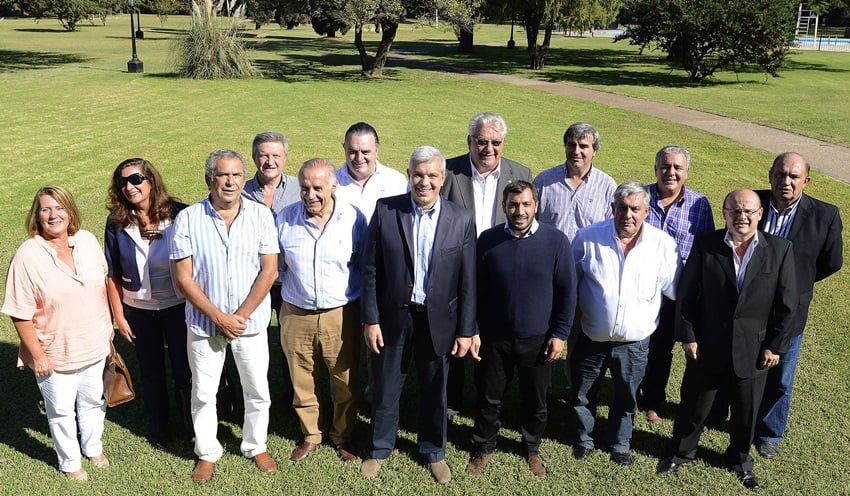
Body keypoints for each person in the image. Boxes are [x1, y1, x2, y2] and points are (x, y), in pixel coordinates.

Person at [658, 189, 798, 492]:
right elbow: (687, 295)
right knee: (694, 406)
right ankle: (681, 451)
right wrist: (688, 336)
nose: (742, 216)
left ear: (760, 214)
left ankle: (739, 460)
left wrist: (775, 345)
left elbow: (788, 305)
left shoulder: (780, 249)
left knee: (745, 413)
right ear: (725, 213)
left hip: (754, 349)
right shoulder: (706, 245)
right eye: (735, 210)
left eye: (749, 210)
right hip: (706, 345)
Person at [360, 146, 477, 484]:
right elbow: (370, 271)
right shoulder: (386, 210)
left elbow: (468, 280)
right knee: (386, 387)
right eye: (418, 175)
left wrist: (466, 329)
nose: (424, 182)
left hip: (438, 320)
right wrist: (371, 319)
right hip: (394, 318)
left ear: (443, 179)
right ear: (409, 175)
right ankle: (380, 448)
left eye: (431, 176)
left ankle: (433, 450)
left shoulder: (461, 218)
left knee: (435, 389)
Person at [170, 149, 280, 483]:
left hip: (250, 323)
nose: (230, 182)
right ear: (210, 179)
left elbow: (269, 270)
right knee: (203, 392)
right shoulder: (188, 218)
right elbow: (183, 278)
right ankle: (207, 452)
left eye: (235, 175)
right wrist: (219, 316)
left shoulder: (261, 216)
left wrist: (240, 316)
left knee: (257, 388)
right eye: (222, 175)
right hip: (205, 324)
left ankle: (255, 445)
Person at [2, 185, 113, 481]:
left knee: (93, 402)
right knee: (62, 412)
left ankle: (93, 447)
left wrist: (108, 328)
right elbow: (19, 312)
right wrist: (37, 356)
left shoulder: (86, 241)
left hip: (94, 343)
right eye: (46, 209)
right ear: (36, 216)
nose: (54, 215)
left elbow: (100, 285)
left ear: (70, 211)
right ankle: (70, 462)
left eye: (60, 207)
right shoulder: (28, 256)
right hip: (54, 352)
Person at [467, 181, 576, 478]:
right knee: (489, 397)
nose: (520, 211)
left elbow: (567, 292)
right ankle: (485, 446)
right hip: (494, 338)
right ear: (504, 207)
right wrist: (473, 329)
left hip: (538, 340)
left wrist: (560, 333)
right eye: (513, 205)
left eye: (526, 204)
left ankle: (531, 448)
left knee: (535, 401)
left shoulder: (556, 242)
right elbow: (474, 290)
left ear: (536, 205)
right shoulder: (487, 241)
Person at [570, 182, 680, 466]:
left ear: (646, 211)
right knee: (583, 393)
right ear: (612, 208)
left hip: (635, 343)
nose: (628, 214)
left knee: (626, 397)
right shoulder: (587, 238)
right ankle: (585, 438)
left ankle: (620, 443)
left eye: (635, 209)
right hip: (591, 337)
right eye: (622, 208)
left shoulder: (662, 245)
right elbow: (569, 283)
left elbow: (675, 290)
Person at [441, 111, 532, 418]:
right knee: (454, 339)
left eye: (495, 142)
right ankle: (450, 401)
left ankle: (488, 401)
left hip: (497, 275)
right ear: (470, 141)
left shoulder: (520, 173)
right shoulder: (448, 172)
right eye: (481, 141)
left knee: (491, 344)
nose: (488, 149)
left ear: (503, 143)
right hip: (453, 272)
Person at [276, 159, 367, 463]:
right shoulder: (284, 218)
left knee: (344, 380)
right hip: (295, 312)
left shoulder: (354, 219)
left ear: (333, 186)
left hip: (340, 313)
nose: (310, 194)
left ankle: (342, 435)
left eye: (318, 187)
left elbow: (365, 266)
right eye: (304, 188)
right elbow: (275, 268)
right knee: (301, 379)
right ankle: (311, 434)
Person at [752, 152, 843, 458]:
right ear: (769, 175)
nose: (785, 181)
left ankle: (769, 432)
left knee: (781, 374)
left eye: (793, 176)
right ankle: (726, 414)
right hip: (747, 305)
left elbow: (831, 262)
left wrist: (795, 286)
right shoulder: (754, 203)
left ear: (806, 180)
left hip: (790, 311)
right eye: (780, 174)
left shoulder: (825, 215)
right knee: (738, 363)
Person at [104, 158, 192, 449]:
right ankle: (159, 429)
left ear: (151, 180)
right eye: (123, 182)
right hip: (139, 311)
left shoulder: (181, 214)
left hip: (179, 306)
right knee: (151, 372)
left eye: (136, 179)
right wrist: (119, 316)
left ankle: (190, 425)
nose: (129, 187)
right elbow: (112, 274)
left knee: (185, 367)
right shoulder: (116, 223)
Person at [638, 145, 715, 425]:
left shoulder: (699, 204)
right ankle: (630, 392)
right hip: (641, 289)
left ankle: (653, 400)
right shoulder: (641, 197)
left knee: (662, 349)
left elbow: (706, 249)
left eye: (677, 167)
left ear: (686, 171)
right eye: (665, 166)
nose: (670, 172)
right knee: (637, 344)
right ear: (656, 168)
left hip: (679, 293)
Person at [241, 131, 301, 407]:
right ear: (254, 157)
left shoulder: (299, 189)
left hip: (291, 280)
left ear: (285, 158)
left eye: (276, 155)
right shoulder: (240, 191)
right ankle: (255, 396)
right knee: (253, 341)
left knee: (290, 343)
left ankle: (293, 397)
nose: (270, 161)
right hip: (254, 280)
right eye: (264, 155)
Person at [534, 122, 617, 242]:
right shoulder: (544, 181)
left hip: (588, 259)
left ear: (595, 151)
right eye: (572, 145)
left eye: (583, 146)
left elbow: (612, 229)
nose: (576, 151)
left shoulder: (607, 186)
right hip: (551, 258)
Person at [335, 122, 407, 222]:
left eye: (365, 152)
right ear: (344, 149)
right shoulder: (331, 184)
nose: (359, 158)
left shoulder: (397, 182)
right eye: (352, 152)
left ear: (376, 150)